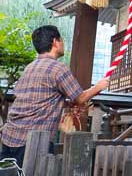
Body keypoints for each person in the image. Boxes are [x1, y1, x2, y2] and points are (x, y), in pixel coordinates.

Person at [0, 25, 109, 166]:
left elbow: (39, 99)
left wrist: (67, 104)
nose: (63, 44)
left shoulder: (30, 67)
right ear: (55, 42)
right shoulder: (58, 68)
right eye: (61, 40)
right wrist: (99, 86)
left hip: (10, 136)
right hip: (33, 141)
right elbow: (80, 97)